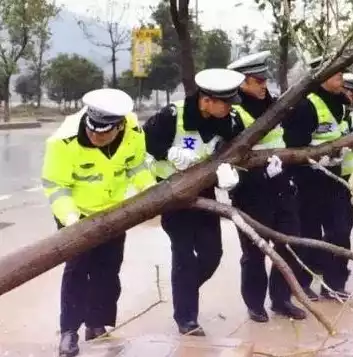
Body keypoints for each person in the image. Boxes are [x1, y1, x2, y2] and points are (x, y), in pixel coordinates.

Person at [41, 88, 156, 357]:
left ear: (118, 126)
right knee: (77, 272)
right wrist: (71, 220)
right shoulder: (63, 142)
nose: (96, 137)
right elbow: (56, 186)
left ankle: (97, 324)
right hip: (75, 215)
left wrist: (150, 191)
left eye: (103, 133)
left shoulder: (133, 133)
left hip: (113, 213)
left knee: (108, 270)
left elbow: (136, 166)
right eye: (92, 132)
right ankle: (69, 331)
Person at [143, 68, 245, 336]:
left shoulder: (230, 120)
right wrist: (168, 153)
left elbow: (238, 149)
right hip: (173, 196)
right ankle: (186, 317)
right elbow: (145, 144)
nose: (230, 108)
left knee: (213, 255)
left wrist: (229, 173)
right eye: (225, 103)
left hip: (206, 194)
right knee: (184, 257)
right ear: (206, 100)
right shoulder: (171, 116)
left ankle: (184, 291)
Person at [227, 51, 307, 322]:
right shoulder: (232, 111)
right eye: (256, 81)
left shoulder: (274, 104)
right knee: (254, 251)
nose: (263, 85)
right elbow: (228, 155)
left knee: (289, 243)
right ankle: (255, 304)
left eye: (264, 80)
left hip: (282, 185)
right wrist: (257, 172)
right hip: (250, 192)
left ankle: (282, 299)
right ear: (242, 82)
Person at [282, 57, 352, 301]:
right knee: (308, 234)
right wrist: (314, 159)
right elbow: (292, 147)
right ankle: (303, 284)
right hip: (308, 181)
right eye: (335, 73)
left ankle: (335, 284)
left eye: (342, 72)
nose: (340, 77)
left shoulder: (343, 104)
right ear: (321, 77)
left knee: (341, 233)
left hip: (336, 179)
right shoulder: (305, 106)